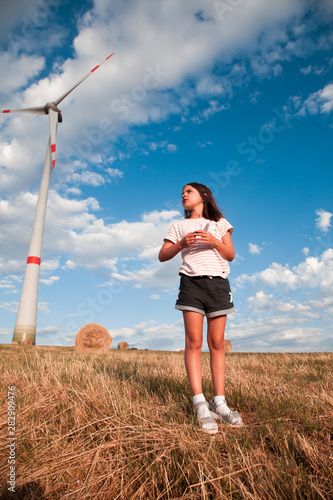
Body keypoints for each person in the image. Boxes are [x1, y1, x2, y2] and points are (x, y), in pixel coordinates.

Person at [158, 182, 242, 435]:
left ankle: (220, 403)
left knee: (217, 343)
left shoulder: (220, 223)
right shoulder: (178, 226)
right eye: (181, 193)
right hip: (191, 283)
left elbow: (231, 254)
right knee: (193, 342)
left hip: (218, 284)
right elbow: (163, 255)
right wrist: (182, 243)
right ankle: (200, 403)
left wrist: (214, 241)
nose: (183, 195)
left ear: (203, 195)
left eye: (189, 191)